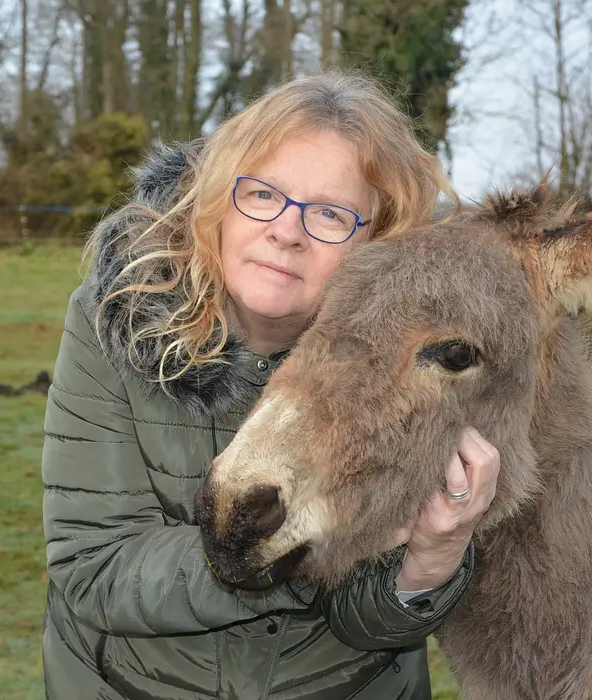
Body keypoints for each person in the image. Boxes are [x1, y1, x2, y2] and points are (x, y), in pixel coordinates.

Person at [40, 70, 502, 700]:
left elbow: (376, 624)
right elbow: (97, 570)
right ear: (217, 196)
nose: (288, 230)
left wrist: (429, 560)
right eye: (262, 194)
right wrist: (285, 553)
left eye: (332, 214)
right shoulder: (113, 317)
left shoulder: (416, 365)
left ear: (379, 242)